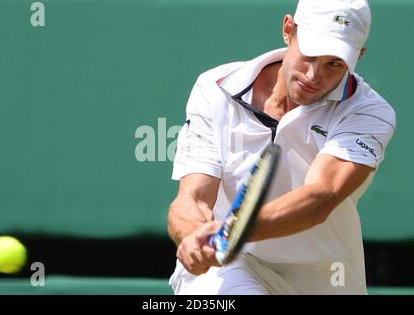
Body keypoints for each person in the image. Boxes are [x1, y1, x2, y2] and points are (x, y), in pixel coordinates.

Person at [167, 0, 395, 295]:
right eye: (309, 54)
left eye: (333, 64)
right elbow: (193, 197)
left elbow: (319, 198)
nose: (314, 75)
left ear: (357, 58)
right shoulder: (214, 88)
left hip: (328, 282)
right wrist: (194, 237)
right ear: (288, 30)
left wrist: (232, 233)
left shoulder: (369, 113)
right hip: (234, 268)